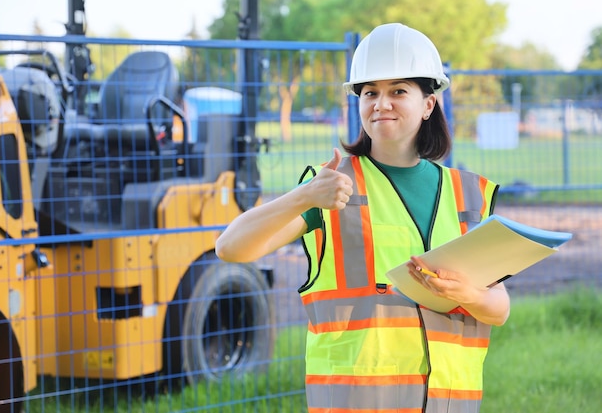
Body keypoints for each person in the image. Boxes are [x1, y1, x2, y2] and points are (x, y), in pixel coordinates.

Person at [216, 22, 510, 413]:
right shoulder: (330, 184)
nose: (381, 103)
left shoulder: (470, 194)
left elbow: (500, 307)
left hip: (449, 403)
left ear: (428, 104)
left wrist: (467, 295)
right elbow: (230, 248)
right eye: (370, 92)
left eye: (398, 91)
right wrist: (304, 196)